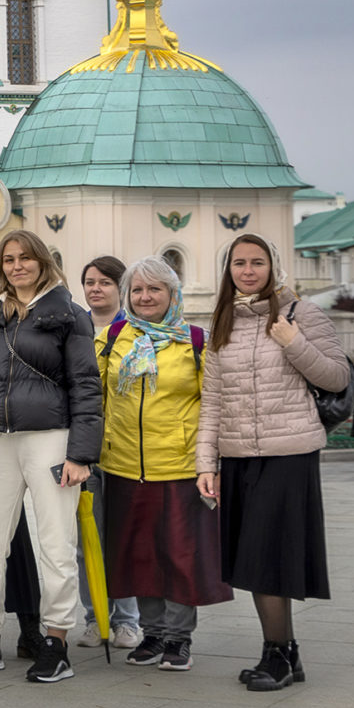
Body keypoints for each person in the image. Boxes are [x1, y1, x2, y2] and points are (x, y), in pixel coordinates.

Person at [197, 232, 349, 693]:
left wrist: (294, 341)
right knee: (256, 559)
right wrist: (207, 463)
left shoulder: (302, 314)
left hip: (289, 454)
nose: (248, 271)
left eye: (257, 262)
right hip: (241, 456)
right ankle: (285, 652)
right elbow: (212, 400)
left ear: (272, 266)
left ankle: (278, 653)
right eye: (239, 263)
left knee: (269, 557)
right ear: (229, 271)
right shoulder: (223, 322)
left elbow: (337, 377)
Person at [0, 231, 101, 684]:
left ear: (42, 262)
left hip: (52, 438)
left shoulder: (69, 314)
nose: (17, 266)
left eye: (25, 258)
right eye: (9, 259)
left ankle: (56, 640)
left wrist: (81, 453)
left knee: (55, 543)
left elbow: (86, 385)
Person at [97, 256, 230, 672]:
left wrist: (213, 462)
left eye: (155, 289)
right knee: (138, 554)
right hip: (122, 466)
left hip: (179, 467)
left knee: (179, 555)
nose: (145, 297)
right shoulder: (113, 338)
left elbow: (216, 405)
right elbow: (93, 397)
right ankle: (151, 634)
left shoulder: (195, 341)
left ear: (173, 295)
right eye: (137, 290)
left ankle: (178, 638)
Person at [78, 253, 143, 651]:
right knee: (88, 537)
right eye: (89, 282)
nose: (95, 289)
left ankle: (128, 621)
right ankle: (94, 616)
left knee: (124, 539)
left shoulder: (135, 332)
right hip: (84, 450)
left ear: (120, 288)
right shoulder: (74, 328)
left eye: (104, 282)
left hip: (124, 451)